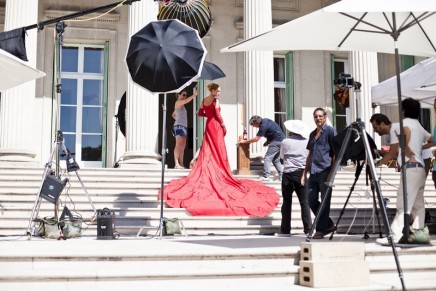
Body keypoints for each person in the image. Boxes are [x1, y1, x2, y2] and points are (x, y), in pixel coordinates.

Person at [162, 83, 280, 216]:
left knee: (207, 147)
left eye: (219, 91)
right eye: (217, 90)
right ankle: (218, 169)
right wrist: (223, 125)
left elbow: (200, 113)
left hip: (209, 125)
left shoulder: (204, 100)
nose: (218, 93)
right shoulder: (215, 100)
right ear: (212, 90)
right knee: (218, 149)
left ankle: (202, 164)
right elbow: (218, 115)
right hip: (216, 126)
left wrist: (209, 114)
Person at [371, 99, 432, 244]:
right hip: (420, 168)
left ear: (403, 110)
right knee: (418, 205)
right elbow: (432, 139)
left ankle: (395, 235)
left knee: (403, 203)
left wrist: (377, 163)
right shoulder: (418, 125)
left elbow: (392, 152)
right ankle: (418, 235)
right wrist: (418, 149)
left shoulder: (398, 127)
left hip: (410, 169)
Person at [302, 108, 336, 239]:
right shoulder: (312, 134)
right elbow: (310, 154)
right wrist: (304, 174)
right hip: (313, 171)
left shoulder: (330, 131)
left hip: (325, 170)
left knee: (325, 201)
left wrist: (332, 172)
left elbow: (335, 153)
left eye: (320, 116)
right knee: (310, 200)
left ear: (325, 117)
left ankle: (321, 230)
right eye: (316, 116)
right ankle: (328, 224)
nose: (318, 119)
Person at [275, 120, 313, 237]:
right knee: (304, 203)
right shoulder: (307, 142)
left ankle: (285, 230)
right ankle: (308, 229)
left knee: (287, 203)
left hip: (288, 173)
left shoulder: (285, 141)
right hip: (302, 173)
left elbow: (282, 156)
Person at [240, 116, 285, 181]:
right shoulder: (266, 121)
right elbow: (272, 131)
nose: (253, 126)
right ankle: (282, 175)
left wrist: (244, 141)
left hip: (276, 141)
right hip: (281, 141)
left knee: (267, 158)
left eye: (253, 124)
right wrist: (267, 142)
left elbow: (256, 139)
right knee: (275, 160)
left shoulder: (263, 126)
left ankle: (266, 176)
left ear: (256, 122)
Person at [172, 88, 198, 169]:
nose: (184, 96)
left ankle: (181, 164)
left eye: (185, 95)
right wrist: (195, 95)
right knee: (178, 144)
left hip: (183, 126)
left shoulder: (180, 105)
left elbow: (173, 115)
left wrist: (177, 118)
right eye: (183, 95)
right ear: (178, 95)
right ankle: (176, 164)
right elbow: (186, 101)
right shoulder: (178, 102)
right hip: (179, 126)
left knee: (183, 146)